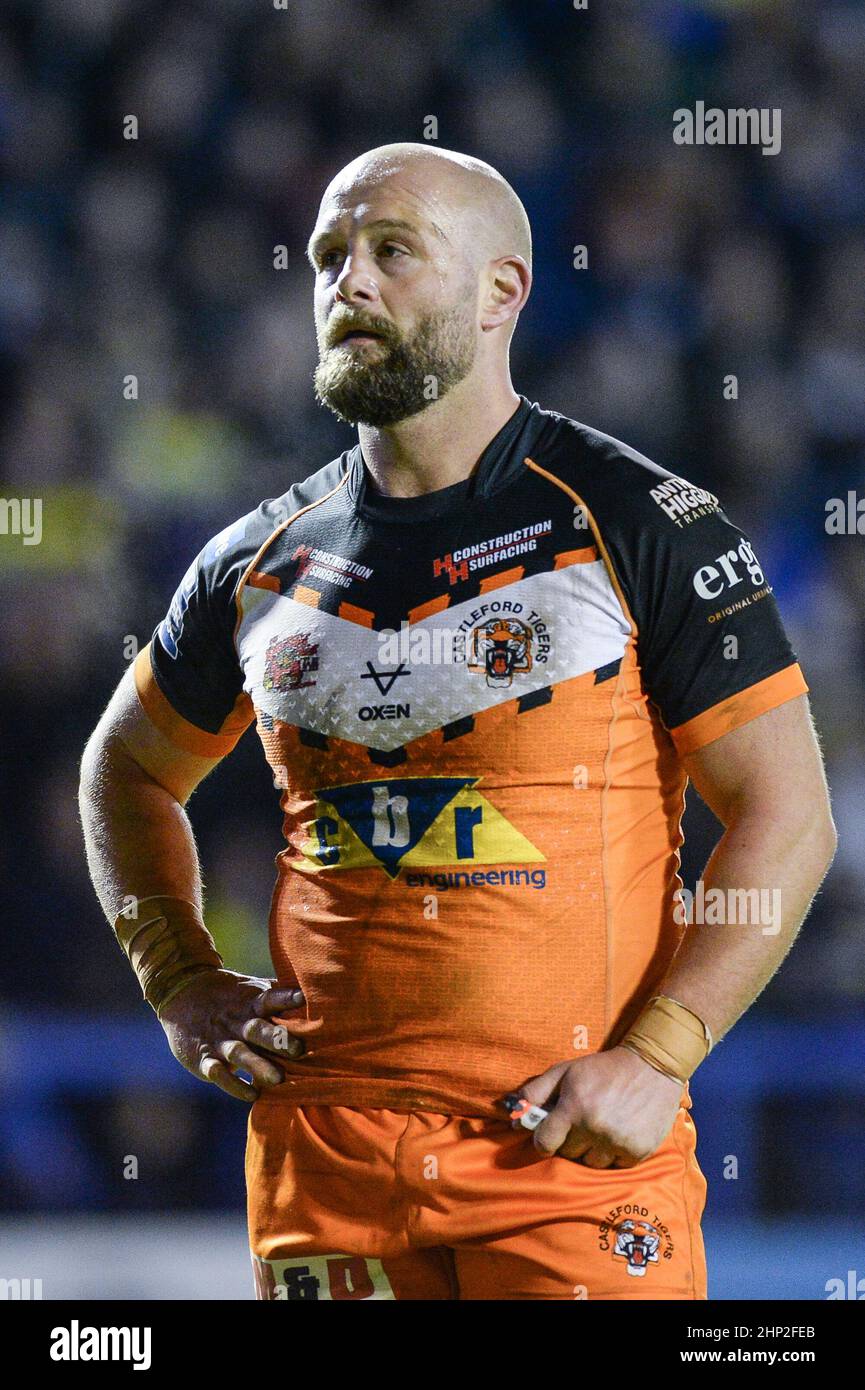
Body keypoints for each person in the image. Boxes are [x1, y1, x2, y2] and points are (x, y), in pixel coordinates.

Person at [79, 143, 836, 1301]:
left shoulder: (640, 523)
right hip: (322, 1166)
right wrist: (177, 976)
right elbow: (123, 774)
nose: (350, 284)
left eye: (393, 251)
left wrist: (657, 1057)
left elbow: (788, 815)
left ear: (502, 292)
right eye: (329, 256)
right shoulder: (251, 564)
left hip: (567, 1159)